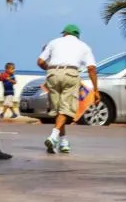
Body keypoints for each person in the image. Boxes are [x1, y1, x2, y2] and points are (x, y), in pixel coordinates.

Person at [37, 24, 98, 154]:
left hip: (52, 74)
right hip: (70, 74)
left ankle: (63, 142)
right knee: (65, 109)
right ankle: (53, 137)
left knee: (58, 110)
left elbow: (40, 61)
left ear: (64, 33)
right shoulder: (84, 46)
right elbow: (91, 68)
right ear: (77, 35)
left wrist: (50, 70)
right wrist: (96, 90)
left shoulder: (54, 42)